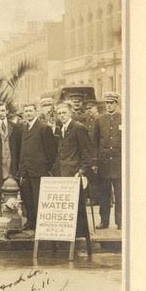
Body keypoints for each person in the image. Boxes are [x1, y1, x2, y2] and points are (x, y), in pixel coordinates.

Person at [53, 103, 93, 244]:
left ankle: (81, 235)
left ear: (70, 113)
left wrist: (81, 171)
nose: (62, 116)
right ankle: (69, 234)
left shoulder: (78, 128)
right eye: (59, 113)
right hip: (63, 174)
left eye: (64, 112)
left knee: (78, 206)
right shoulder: (61, 129)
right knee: (67, 206)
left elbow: (87, 153)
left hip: (74, 173)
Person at [18, 103, 57, 232]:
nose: (28, 113)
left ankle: (40, 224)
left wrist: (46, 168)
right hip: (26, 170)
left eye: (30, 111)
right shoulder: (23, 128)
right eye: (26, 111)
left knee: (38, 198)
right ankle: (31, 222)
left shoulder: (43, 128)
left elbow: (51, 151)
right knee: (27, 198)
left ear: (35, 112)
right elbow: (22, 150)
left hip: (39, 170)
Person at [92, 92, 122, 229]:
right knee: (104, 193)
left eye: (111, 103)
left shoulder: (123, 118)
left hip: (119, 163)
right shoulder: (99, 120)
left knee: (120, 193)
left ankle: (120, 221)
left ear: (117, 103)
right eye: (107, 103)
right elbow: (94, 142)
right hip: (104, 163)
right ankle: (104, 221)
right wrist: (94, 162)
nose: (109, 105)